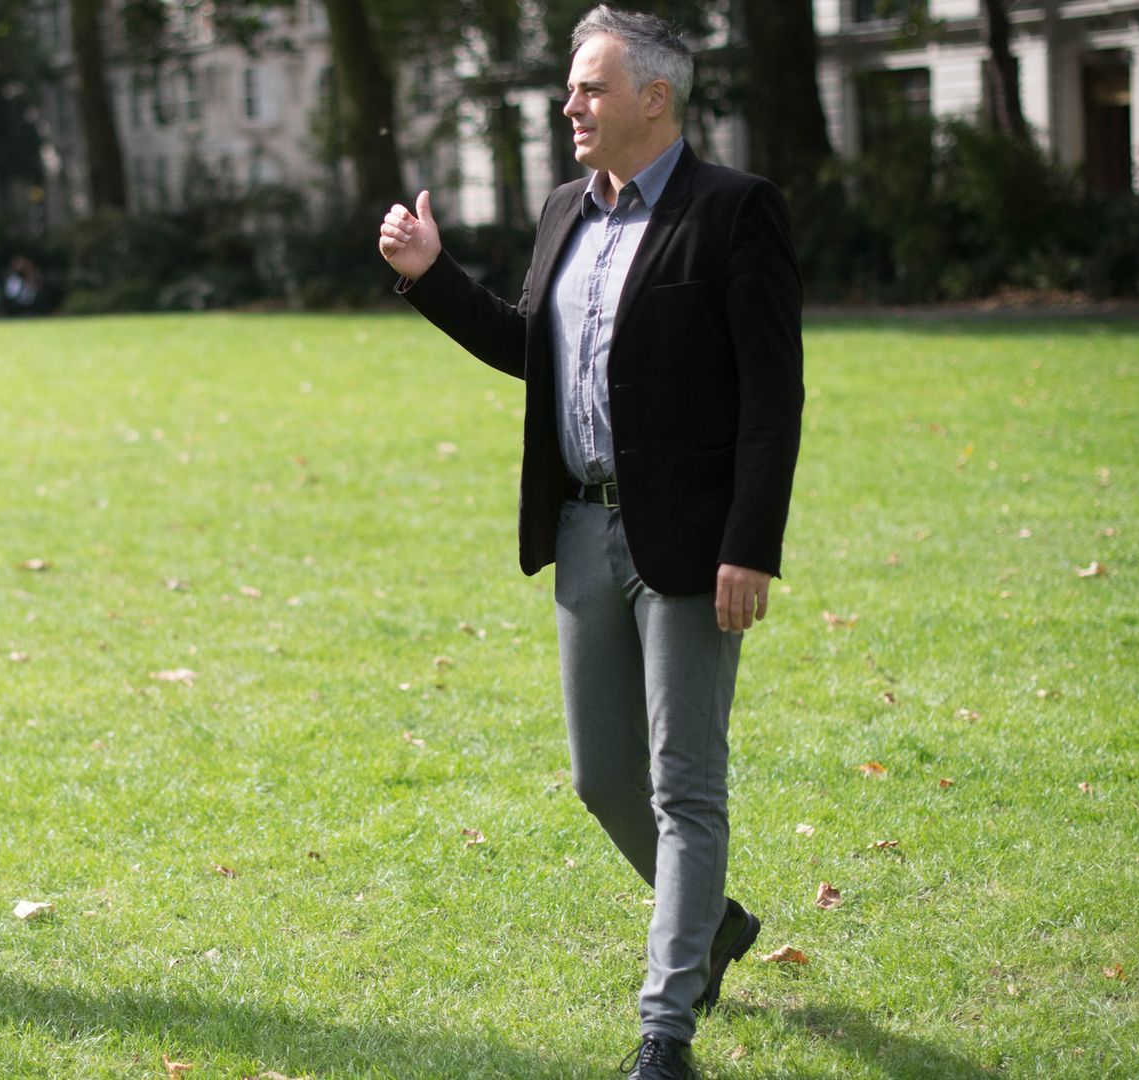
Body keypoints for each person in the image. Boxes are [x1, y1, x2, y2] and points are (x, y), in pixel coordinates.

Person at [377, 7, 803, 1078]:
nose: (570, 104)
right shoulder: (566, 209)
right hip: (580, 528)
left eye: (589, 87)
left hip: (694, 545)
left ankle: (666, 1029)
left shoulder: (735, 212)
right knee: (601, 777)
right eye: (572, 88)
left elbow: (771, 395)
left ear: (654, 98)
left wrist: (750, 543)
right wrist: (432, 276)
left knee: (683, 784)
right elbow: (536, 348)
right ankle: (714, 925)